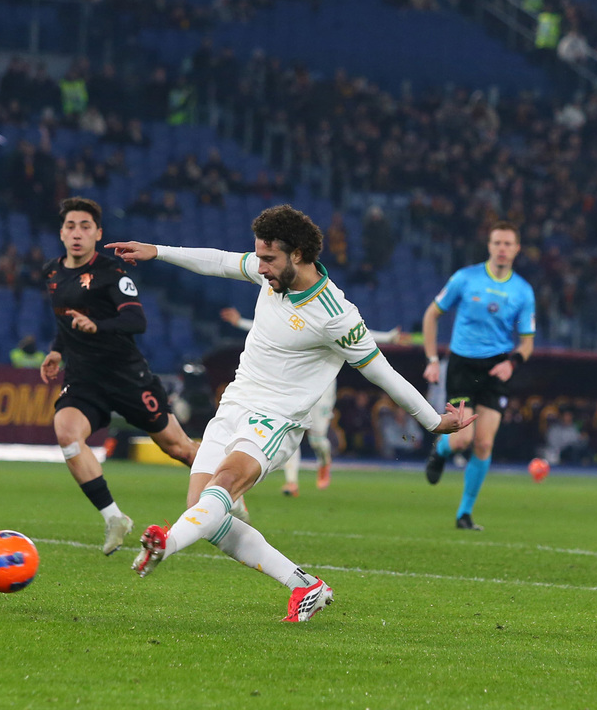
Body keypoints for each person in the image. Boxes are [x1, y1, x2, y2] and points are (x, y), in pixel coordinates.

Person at [107, 205, 472, 623]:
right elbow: (222, 262)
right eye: (258, 257)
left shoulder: (337, 316)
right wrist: (158, 250)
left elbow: (383, 373)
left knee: (224, 485)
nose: (259, 268)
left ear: (297, 254)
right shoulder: (271, 274)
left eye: (267, 259)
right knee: (203, 513)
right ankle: (305, 586)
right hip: (235, 404)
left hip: (277, 419)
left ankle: (164, 545)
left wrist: (432, 421)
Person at [39, 197, 215, 557]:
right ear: (61, 232)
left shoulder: (112, 274)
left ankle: (227, 491)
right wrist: (57, 350)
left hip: (126, 376)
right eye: (70, 226)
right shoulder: (53, 273)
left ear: (98, 233)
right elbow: (65, 319)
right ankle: (114, 517)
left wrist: (97, 326)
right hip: (84, 380)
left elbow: (137, 320)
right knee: (67, 434)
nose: (77, 233)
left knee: (178, 448)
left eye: (85, 227)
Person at [422, 221, 535, 531]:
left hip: (496, 367)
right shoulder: (465, 278)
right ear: (489, 246)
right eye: (497, 242)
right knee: (462, 440)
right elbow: (432, 315)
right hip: (462, 365)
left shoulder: (523, 291)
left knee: (484, 444)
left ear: (516, 249)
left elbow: (527, 342)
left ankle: (464, 514)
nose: (502, 249)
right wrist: (432, 358)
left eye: (508, 244)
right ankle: (441, 450)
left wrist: (512, 363)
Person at [221, 307, 404, 495]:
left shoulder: (335, 323)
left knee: (317, 440)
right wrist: (240, 322)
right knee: (289, 432)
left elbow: (362, 335)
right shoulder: (300, 322)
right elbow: (267, 326)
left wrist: (389, 338)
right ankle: (292, 483)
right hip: (296, 388)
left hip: (323, 392)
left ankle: (324, 462)